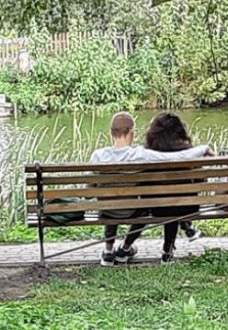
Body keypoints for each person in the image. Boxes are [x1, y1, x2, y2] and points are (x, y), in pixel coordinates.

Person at [90, 111, 210, 266]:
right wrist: (202, 149)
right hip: (139, 210)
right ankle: (133, 248)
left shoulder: (97, 155)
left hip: (108, 210)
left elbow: (89, 192)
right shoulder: (140, 155)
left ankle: (109, 251)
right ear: (131, 132)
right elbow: (174, 159)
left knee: (113, 201)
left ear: (111, 132)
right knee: (151, 207)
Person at [144, 112, 205, 263]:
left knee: (168, 202)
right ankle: (174, 241)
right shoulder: (189, 153)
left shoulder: (148, 155)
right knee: (175, 202)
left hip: (157, 208)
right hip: (188, 207)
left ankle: (169, 248)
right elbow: (201, 181)